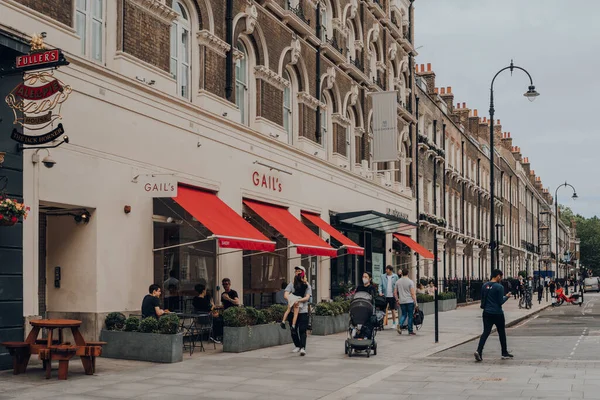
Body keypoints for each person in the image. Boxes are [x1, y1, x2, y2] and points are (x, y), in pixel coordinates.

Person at [474, 269, 513, 362]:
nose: (501, 278)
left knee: (486, 332)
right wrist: (507, 297)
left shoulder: (484, 285)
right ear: (498, 276)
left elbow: (483, 299)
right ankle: (504, 352)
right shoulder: (499, 287)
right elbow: (500, 301)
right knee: (501, 333)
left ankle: (479, 351)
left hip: (486, 312)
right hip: (497, 313)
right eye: (501, 276)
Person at [284, 266, 312, 356]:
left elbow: (307, 297)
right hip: (293, 309)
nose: (297, 273)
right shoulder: (291, 284)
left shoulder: (307, 285)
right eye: (296, 271)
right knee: (293, 329)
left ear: (303, 273)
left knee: (302, 330)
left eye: (299, 271)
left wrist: (298, 300)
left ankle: (303, 347)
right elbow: (285, 294)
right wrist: (292, 300)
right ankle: (297, 345)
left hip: (303, 310)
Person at [395, 268, 417, 335]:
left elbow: (395, 292)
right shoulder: (410, 282)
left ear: (402, 273)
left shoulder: (398, 282)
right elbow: (413, 293)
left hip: (402, 301)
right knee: (410, 316)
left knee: (404, 314)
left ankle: (400, 324)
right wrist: (415, 302)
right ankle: (410, 330)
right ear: (408, 273)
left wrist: (397, 299)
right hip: (409, 300)